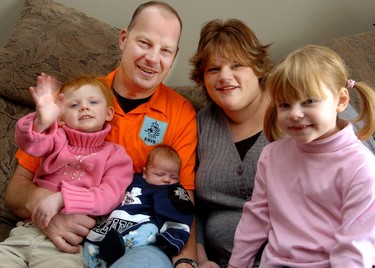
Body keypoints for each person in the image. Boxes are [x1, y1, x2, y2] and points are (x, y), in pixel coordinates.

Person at [5, 1, 197, 268]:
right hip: (55, 238)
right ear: (123, 39)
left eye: (165, 50)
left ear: (174, 57)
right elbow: (16, 189)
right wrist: (47, 210)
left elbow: (183, 197)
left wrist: (186, 261)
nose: (153, 58)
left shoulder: (180, 113)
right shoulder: (79, 100)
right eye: (144, 43)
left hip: (137, 240)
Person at [189, 19, 375, 268]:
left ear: (257, 68)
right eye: (213, 69)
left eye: (237, 65)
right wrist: (198, 258)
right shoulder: (205, 123)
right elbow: (193, 200)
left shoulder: (319, 110)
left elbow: (360, 225)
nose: (224, 76)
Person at [0, 76, 133, 266]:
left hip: (65, 245)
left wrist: (63, 198)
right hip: (26, 232)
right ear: (61, 117)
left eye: (93, 102)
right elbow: (32, 144)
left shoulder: (116, 156)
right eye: (74, 105)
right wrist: (40, 123)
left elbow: (108, 196)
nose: (84, 107)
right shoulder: (57, 139)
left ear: (109, 113)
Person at [84, 144, 195, 268]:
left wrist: (172, 239)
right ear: (145, 173)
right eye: (159, 174)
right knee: (92, 240)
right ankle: (97, 260)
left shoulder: (170, 192)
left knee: (150, 230)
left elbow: (179, 215)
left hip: (141, 226)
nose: (167, 180)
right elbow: (109, 192)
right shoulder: (129, 180)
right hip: (113, 224)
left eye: (173, 177)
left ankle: (119, 246)